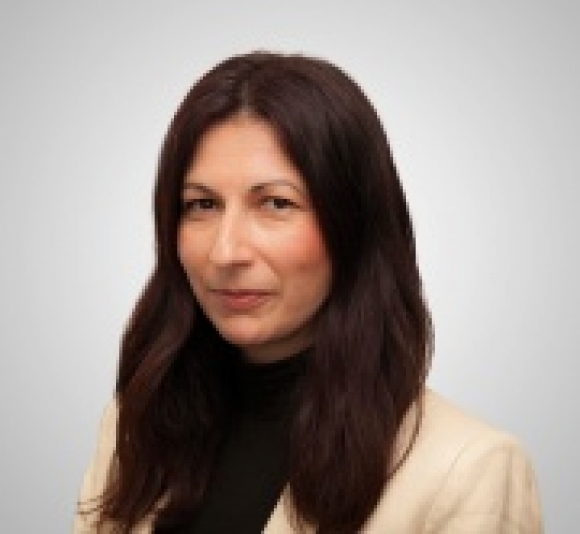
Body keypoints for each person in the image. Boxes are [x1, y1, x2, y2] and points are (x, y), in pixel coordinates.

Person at [74, 51, 543, 533]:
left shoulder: (469, 471)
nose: (226, 251)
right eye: (202, 204)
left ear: (354, 225)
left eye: (276, 203)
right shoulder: (135, 428)